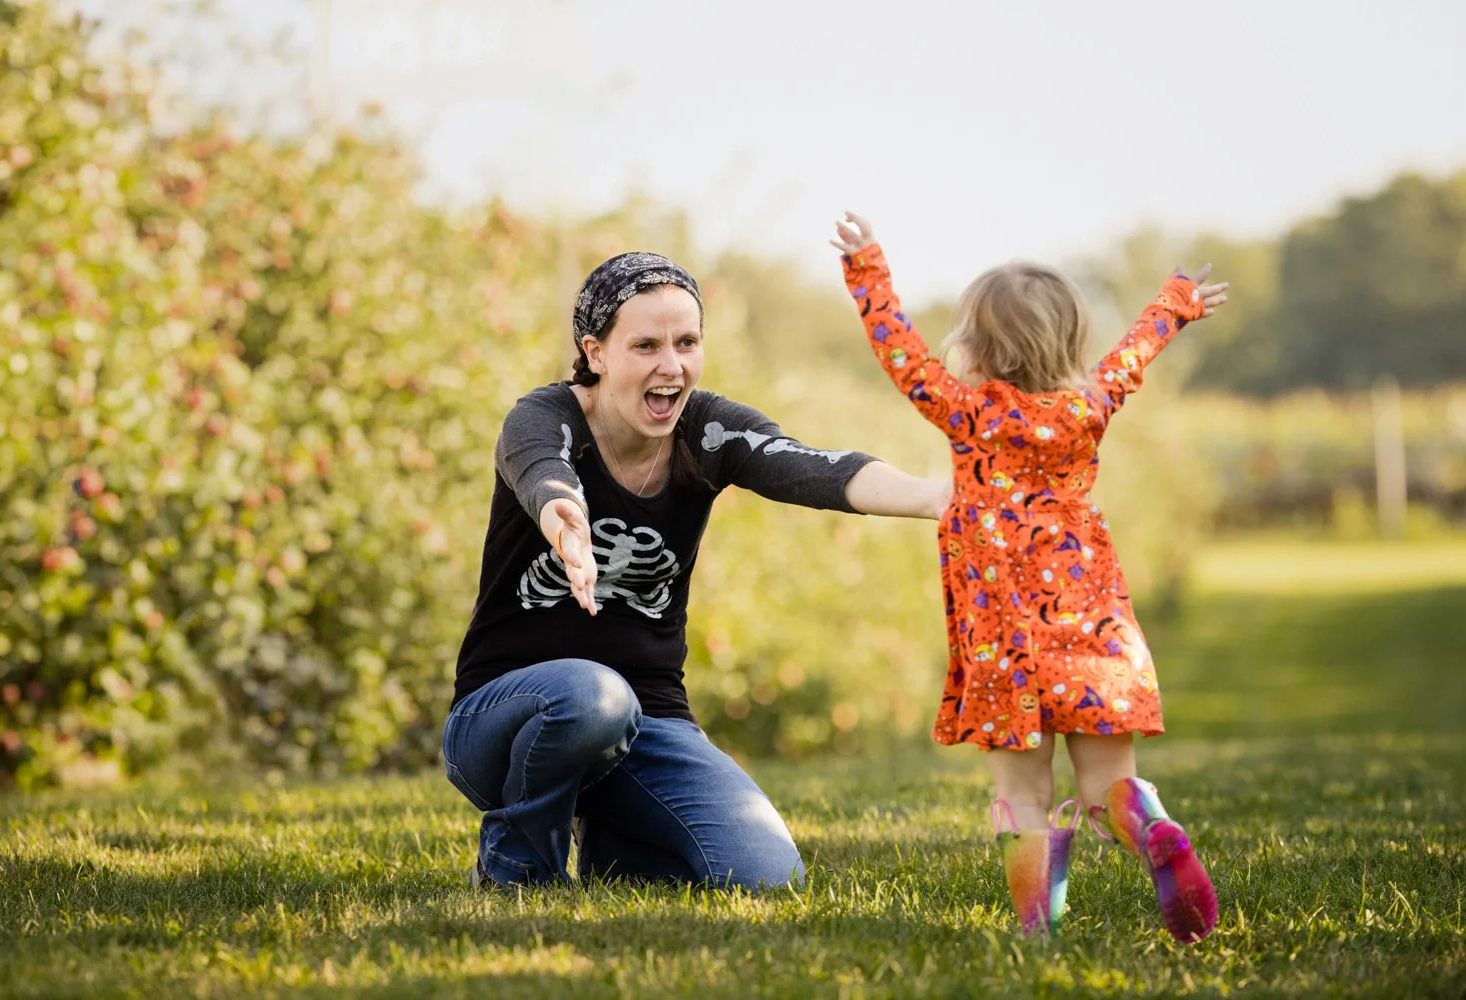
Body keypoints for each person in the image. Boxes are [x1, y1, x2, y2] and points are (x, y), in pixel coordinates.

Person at [444, 249, 948, 890]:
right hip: (503, 719)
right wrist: (562, 517)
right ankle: (519, 872)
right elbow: (542, 468)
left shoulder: (705, 432)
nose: (671, 366)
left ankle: (612, 840)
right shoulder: (545, 417)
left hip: (647, 723)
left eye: (687, 342)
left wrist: (940, 499)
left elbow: (814, 467)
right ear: (595, 353)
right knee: (596, 695)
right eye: (646, 345)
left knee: (769, 877)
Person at [830, 212, 1226, 942]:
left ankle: (1039, 926)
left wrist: (867, 270)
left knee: (1021, 791)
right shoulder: (1089, 407)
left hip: (1004, 644)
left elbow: (901, 355)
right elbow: (1129, 361)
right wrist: (1174, 304)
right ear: (1067, 342)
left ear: (977, 348)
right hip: (1096, 634)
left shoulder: (963, 411)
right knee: (1109, 786)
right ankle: (1153, 827)